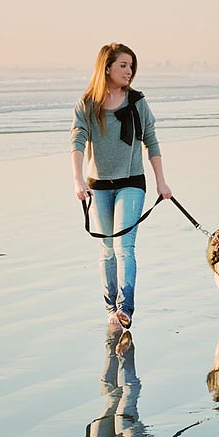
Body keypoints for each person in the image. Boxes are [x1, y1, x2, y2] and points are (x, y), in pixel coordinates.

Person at [71, 43, 172, 329]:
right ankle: (110, 308)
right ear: (107, 68)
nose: (129, 71)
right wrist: (78, 179)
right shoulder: (87, 103)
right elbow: (77, 141)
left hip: (131, 183)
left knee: (124, 246)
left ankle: (125, 307)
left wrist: (161, 182)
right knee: (106, 249)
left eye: (131, 66)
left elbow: (151, 141)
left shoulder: (137, 102)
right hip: (98, 186)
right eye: (123, 65)